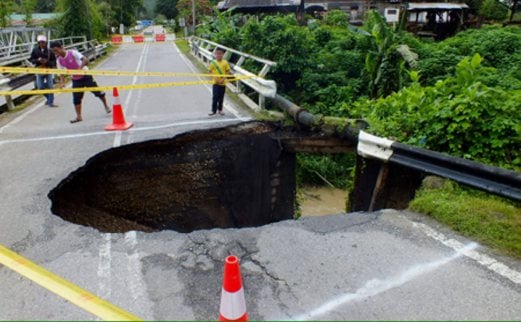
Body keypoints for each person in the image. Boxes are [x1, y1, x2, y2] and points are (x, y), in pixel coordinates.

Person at [50, 40, 111, 123]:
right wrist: (62, 82)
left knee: (97, 92)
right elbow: (61, 73)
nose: (55, 53)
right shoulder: (59, 60)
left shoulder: (72, 53)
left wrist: (80, 68)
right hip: (76, 79)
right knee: (76, 99)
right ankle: (79, 116)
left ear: (61, 48)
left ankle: (106, 105)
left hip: (86, 75)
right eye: (53, 51)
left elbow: (85, 60)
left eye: (56, 50)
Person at [30, 35, 58, 107]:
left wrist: (46, 62)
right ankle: (49, 98)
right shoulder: (35, 50)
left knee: (50, 86)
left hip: (48, 70)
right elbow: (31, 60)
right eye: (39, 42)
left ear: (46, 43)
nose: (41, 44)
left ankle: (50, 102)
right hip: (39, 69)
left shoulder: (50, 51)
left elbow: (54, 62)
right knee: (40, 87)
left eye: (43, 42)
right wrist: (38, 60)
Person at [208, 47, 231, 116]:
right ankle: (213, 110)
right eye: (217, 54)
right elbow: (210, 71)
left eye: (220, 54)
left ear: (223, 54)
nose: (218, 55)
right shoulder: (213, 62)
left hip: (223, 83)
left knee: (221, 97)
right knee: (215, 97)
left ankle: (220, 110)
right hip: (215, 83)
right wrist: (214, 78)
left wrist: (223, 79)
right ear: (215, 54)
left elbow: (228, 71)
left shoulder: (225, 62)